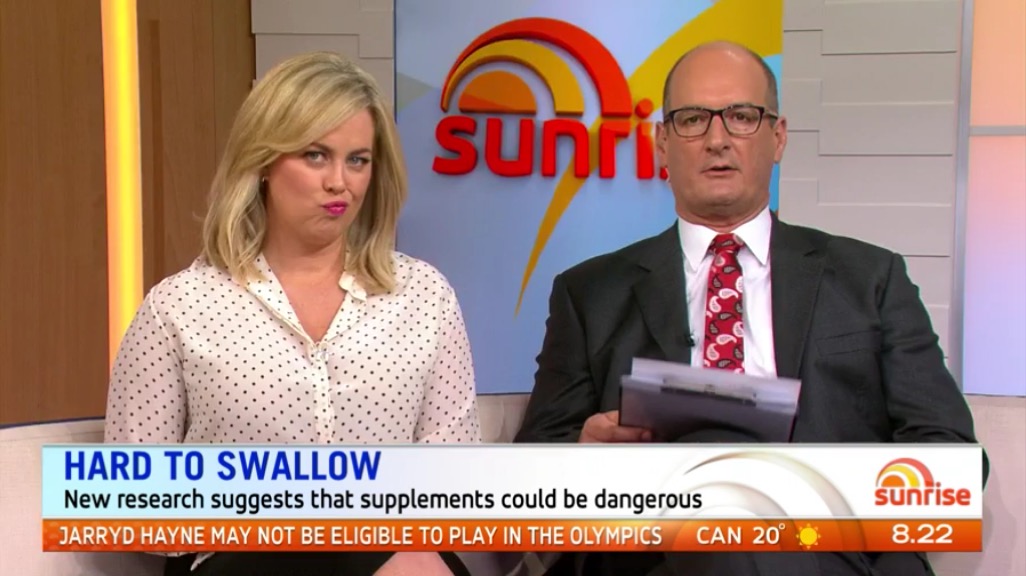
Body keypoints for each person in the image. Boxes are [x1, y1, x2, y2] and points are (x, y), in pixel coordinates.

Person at [515, 41, 986, 575]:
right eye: (693, 119)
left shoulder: (870, 278)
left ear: (777, 137)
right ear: (662, 143)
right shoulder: (589, 292)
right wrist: (581, 459)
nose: (717, 139)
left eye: (741, 116)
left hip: (828, 549)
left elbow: (951, 455)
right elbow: (531, 474)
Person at [104, 52, 479, 576]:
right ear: (263, 161)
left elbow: (454, 482)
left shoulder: (423, 296)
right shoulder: (181, 306)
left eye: (358, 160)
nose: (340, 182)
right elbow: (129, 506)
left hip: (395, 550)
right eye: (315, 155)